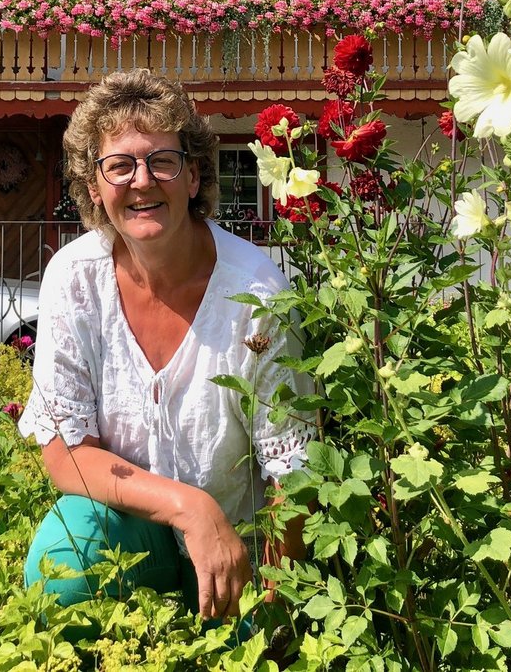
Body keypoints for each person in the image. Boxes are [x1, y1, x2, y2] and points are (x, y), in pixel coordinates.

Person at [18, 69, 313, 621]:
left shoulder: (257, 292)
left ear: (195, 176)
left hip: (240, 552)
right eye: (119, 165)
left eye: (163, 161)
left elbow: (290, 475)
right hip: (134, 535)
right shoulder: (73, 279)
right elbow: (64, 456)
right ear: (93, 186)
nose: (142, 181)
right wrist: (189, 507)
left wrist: (273, 608)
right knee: (64, 556)